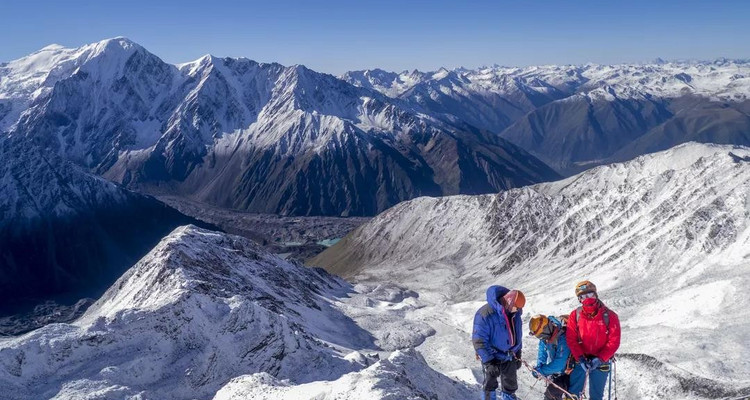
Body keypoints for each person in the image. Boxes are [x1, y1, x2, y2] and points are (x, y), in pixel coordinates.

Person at [566, 281, 621, 400]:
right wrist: (580, 357)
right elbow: (571, 339)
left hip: (601, 361)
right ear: (579, 299)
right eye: (583, 296)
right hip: (581, 360)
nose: (587, 299)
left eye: (590, 294)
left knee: (596, 396)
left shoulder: (610, 316)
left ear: (596, 295)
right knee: (572, 395)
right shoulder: (575, 315)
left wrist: (600, 358)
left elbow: (614, 341)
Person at [472, 286, 526, 400]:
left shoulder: (515, 314)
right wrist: (488, 361)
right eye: (516, 307)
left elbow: (518, 334)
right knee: (490, 384)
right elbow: (479, 340)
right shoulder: (485, 314)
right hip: (492, 355)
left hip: (509, 355)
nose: (518, 310)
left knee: (510, 385)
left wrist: (518, 352)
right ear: (510, 302)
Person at [529, 315, 572, 400]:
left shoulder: (563, 336)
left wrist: (541, 371)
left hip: (570, 373)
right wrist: (539, 366)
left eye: (541, 336)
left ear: (546, 328)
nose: (541, 338)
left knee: (552, 395)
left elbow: (559, 364)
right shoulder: (546, 336)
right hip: (557, 374)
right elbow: (542, 351)